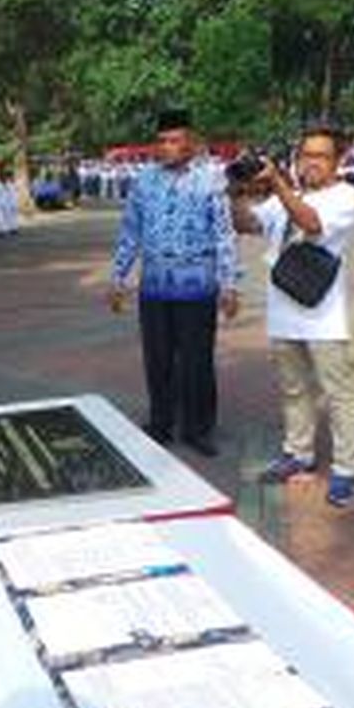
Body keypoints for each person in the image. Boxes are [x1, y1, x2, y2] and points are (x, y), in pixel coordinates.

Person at [231, 124, 354, 506]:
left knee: (337, 393)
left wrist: (278, 183)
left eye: (321, 156)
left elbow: (311, 224)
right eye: (306, 155)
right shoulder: (288, 194)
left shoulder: (346, 195)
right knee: (293, 388)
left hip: (323, 313)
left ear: (339, 162)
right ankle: (298, 453)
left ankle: (346, 469)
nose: (311, 163)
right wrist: (234, 192)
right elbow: (249, 224)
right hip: (282, 308)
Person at [109, 109, 239, 456]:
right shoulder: (143, 181)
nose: (167, 146)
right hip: (154, 285)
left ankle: (198, 428)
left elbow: (224, 234)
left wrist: (229, 284)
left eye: (175, 140)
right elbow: (130, 231)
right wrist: (118, 276)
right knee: (158, 357)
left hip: (198, 284)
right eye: (162, 141)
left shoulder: (211, 179)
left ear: (192, 143)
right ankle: (161, 422)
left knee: (197, 358)